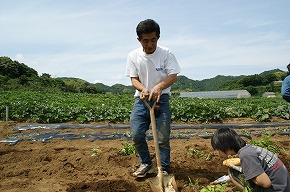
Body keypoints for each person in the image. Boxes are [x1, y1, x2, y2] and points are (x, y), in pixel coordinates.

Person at [125, 19, 180, 178]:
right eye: (145, 41)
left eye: (153, 40)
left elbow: (173, 76)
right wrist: (143, 89)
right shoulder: (133, 56)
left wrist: (159, 87)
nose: (150, 45)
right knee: (136, 134)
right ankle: (146, 164)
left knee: (162, 137)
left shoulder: (166, 53)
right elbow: (134, 79)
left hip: (161, 99)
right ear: (139, 40)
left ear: (158, 37)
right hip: (141, 100)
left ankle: (163, 168)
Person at [211, 127, 290, 192]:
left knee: (233, 172)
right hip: (285, 186)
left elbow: (266, 183)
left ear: (225, 147)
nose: (219, 154)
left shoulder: (246, 156)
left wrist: (232, 176)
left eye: (219, 150)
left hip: (277, 190)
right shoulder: (249, 149)